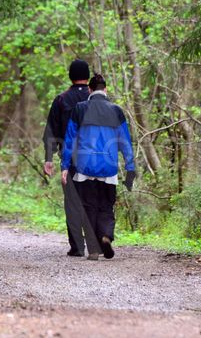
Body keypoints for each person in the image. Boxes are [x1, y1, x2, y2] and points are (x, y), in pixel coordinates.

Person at [60, 74, 136, 260]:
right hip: (108, 167)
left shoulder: (80, 109)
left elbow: (70, 140)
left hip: (85, 168)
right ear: (106, 89)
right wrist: (130, 167)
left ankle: (94, 248)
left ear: (90, 90)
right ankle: (106, 236)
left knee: (88, 206)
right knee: (106, 206)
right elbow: (125, 142)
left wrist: (64, 165)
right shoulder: (116, 110)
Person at [42, 59, 100, 257]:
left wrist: (48, 158)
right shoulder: (97, 99)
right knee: (93, 199)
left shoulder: (62, 99)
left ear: (70, 76)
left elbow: (51, 130)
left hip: (71, 159)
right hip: (96, 158)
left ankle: (77, 246)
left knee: (73, 201)